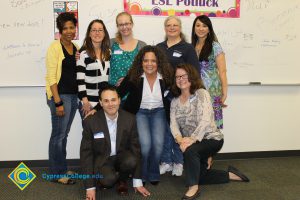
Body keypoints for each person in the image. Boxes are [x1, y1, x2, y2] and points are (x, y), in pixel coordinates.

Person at [170, 64, 249, 200]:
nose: (180, 79)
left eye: (184, 75)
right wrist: (180, 139)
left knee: (190, 152)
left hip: (212, 138)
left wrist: (191, 139)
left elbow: (206, 120)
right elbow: (173, 124)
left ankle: (193, 189)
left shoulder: (201, 93)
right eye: (177, 77)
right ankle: (230, 174)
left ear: (191, 77)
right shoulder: (175, 102)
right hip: (191, 142)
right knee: (199, 175)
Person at [80, 85, 151, 200]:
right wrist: (90, 187)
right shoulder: (90, 122)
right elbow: (86, 154)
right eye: (106, 101)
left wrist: (138, 182)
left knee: (132, 160)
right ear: (101, 103)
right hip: (102, 160)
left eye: (113, 100)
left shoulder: (130, 119)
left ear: (119, 100)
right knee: (107, 180)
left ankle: (122, 179)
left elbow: (136, 149)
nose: (110, 104)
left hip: (121, 157)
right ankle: (109, 178)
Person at [117, 45, 174, 185]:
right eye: (146, 60)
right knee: (146, 145)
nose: (149, 64)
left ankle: (153, 172)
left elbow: (179, 90)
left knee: (159, 144)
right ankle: (141, 173)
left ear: (158, 62)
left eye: (153, 61)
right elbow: (117, 93)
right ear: (141, 62)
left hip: (159, 112)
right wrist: (97, 108)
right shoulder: (134, 77)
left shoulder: (166, 77)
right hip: (140, 112)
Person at [157, 16, 199, 177]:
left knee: (180, 129)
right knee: (166, 130)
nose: (172, 27)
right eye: (169, 25)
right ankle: (166, 161)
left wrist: (189, 94)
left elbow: (194, 72)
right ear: (165, 28)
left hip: (181, 95)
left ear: (180, 28)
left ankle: (179, 162)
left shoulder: (187, 48)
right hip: (163, 95)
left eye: (175, 25)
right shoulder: (159, 47)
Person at [45, 12, 79, 184]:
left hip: (73, 97)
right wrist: (57, 101)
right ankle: (56, 174)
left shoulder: (76, 47)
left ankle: (62, 169)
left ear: (75, 28)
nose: (68, 31)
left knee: (64, 135)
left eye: (71, 27)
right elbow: (51, 77)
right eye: (65, 28)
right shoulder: (54, 47)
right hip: (61, 97)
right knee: (58, 135)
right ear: (60, 30)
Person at [191, 15, 228, 129]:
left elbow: (222, 71)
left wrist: (224, 92)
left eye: (204, 26)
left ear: (209, 29)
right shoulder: (191, 46)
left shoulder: (215, 46)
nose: (201, 28)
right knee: (196, 124)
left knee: (211, 125)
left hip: (212, 90)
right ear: (194, 28)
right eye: (198, 25)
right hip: (195, 89)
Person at [77, 19, 111, 119]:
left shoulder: (109, 53)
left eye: (100, 30)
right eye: (94, 30)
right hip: (88, 102)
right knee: (90, 133)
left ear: (104, 33)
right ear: (89, 34)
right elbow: (80, 80)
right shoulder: (83, 54)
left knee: (102, 133)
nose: (97, 33)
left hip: (103, 102)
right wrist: (85, 101)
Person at [109, 12, 146, 87]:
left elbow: (145, 70)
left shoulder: (142, 46)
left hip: (134, 89)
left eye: (127, 23)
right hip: (113, 91)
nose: (124, 27)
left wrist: (127, 81)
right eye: (121, 25)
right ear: (118, 27)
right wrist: (79, 54)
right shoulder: (111, 43)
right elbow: (95, 50)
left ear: (132, 24)